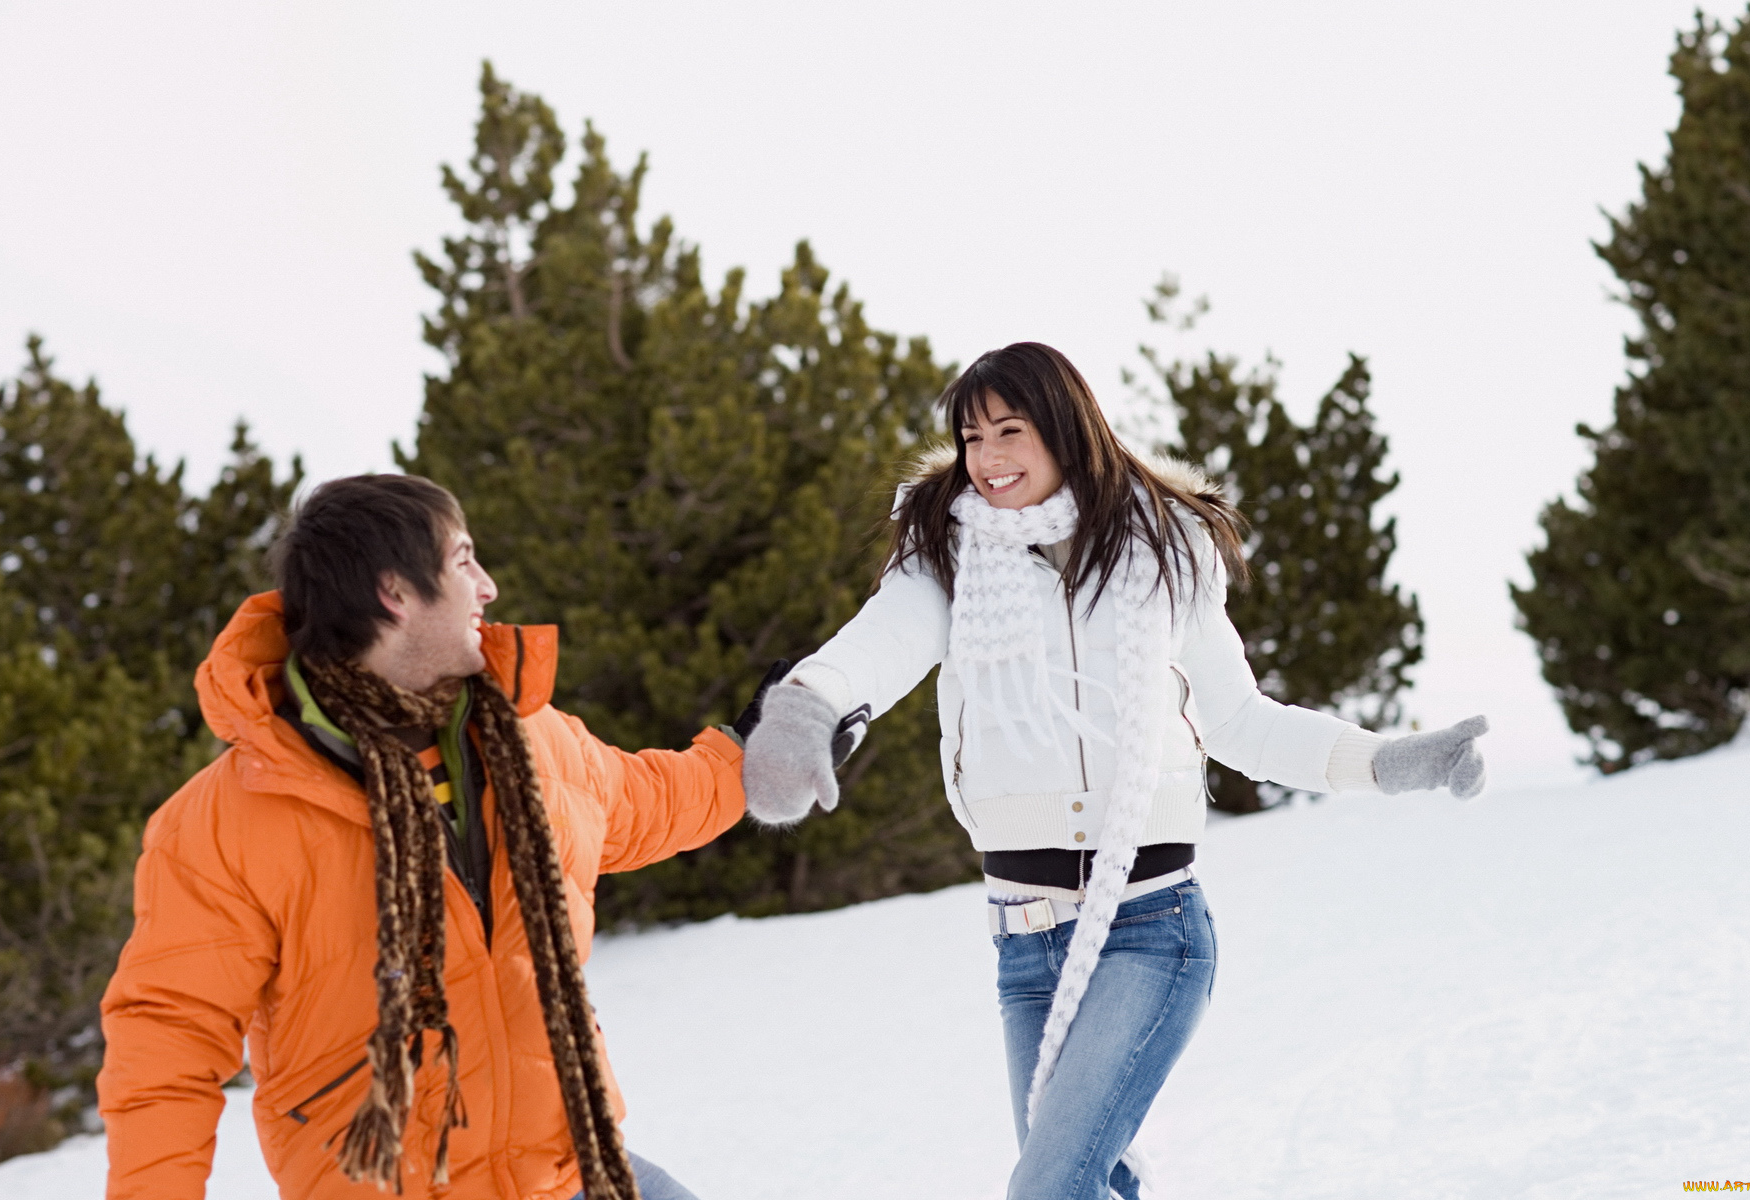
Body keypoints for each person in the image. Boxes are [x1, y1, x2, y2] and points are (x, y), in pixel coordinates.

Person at [741, 342, 1488, 1200]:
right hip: (1024, 942)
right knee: (1086, 1188)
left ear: (1065, 430)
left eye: (1010, 432)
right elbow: (882, 641)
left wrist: (1387, 762)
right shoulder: (950, 554)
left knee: (1050, 1189)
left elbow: (1241, 720)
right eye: (972, 436)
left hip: (1150, 929)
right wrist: (807, 704)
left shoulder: (1163, 552)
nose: (986, 459)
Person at [97, 474, 763, 1200]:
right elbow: (167, 1045)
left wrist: (749, 750)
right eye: (464, 560)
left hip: (570, 1175)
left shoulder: (526, 741)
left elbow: (649, 802)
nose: (489, 587)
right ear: (396, 593)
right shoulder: (228, 822)